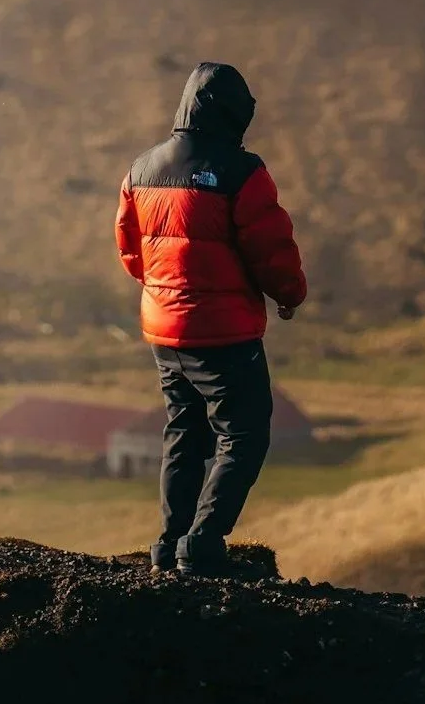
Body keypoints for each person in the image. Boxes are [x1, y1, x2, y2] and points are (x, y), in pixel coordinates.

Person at [114, 61, 308, 578]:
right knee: (244, 433)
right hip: (222, 332)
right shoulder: (242, 173)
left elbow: (131, 253)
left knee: (183, 430)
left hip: (164, 330)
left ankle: (169, 543)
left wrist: (162, 291)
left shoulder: (141, 169)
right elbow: (271, 247)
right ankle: (202, 544)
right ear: (234, 114)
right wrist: (288, 294)